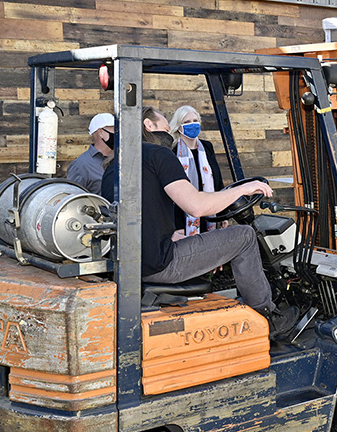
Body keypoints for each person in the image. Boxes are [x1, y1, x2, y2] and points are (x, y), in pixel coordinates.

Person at [102, 108, 301, 339]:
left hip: (134, 263)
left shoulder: (117, 164)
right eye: (167, 128)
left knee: (217, 240)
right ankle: (269, 317)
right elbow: (196, 206)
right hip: (160, 264)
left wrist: (171, 234)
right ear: (148, 125)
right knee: (244, 236)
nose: (170, 133)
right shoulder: (158, 155)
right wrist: (243, 189)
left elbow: (141, 214)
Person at [167, 105, 225, 235]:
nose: (192, 125)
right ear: (178, 126)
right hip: (183, 217)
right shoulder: (172, 151)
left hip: (209, 212)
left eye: (195, 121)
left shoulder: (207, 147)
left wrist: (222, 214)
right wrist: (177, 225)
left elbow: (217, 181)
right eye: (187, 122)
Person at [66, 112, 114, 195]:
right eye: (114, 130)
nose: (118, 134)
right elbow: (72, 198)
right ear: (101, 132)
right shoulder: (81, 165)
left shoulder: (122, 159)